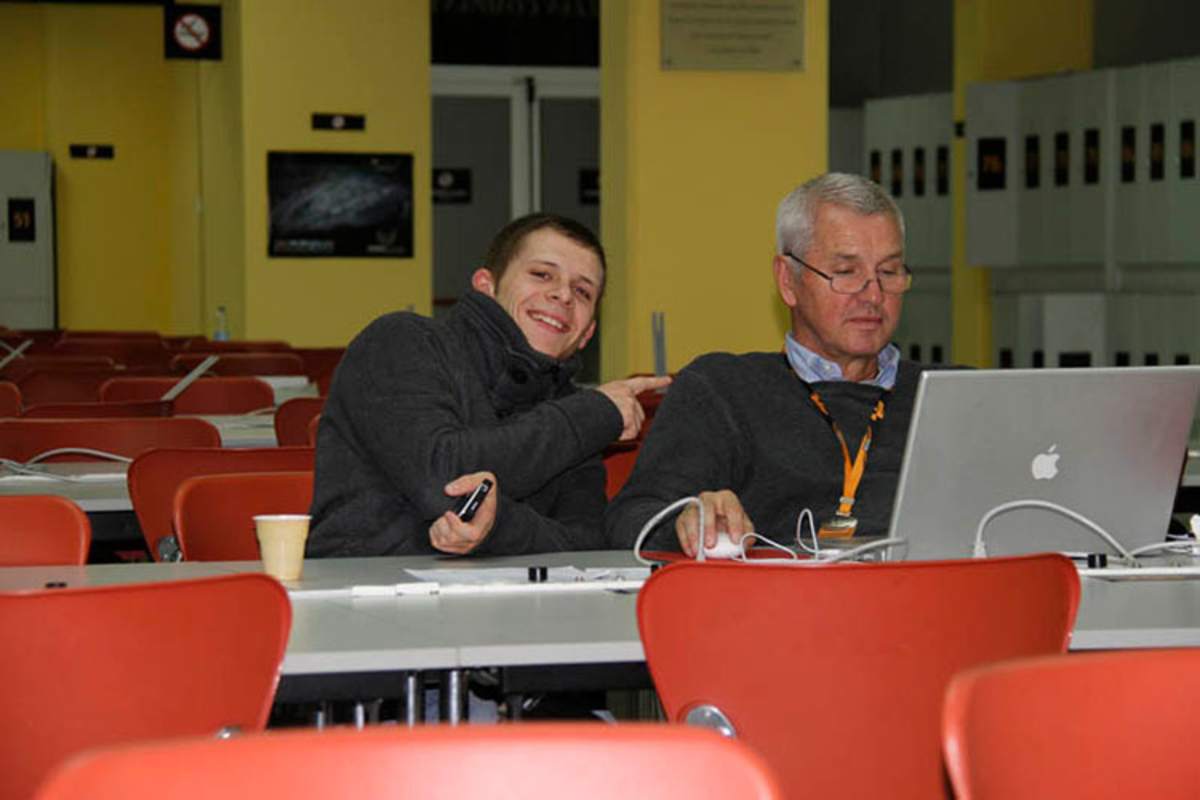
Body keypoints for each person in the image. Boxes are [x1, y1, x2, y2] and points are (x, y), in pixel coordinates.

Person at [309, 213, 669, 557]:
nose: (563, 296)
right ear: (486, 287)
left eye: (582, 291)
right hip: (361, 594)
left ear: (587, 333)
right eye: (542, 274)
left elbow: (586, 543)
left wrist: (499, 526)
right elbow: (444, 484)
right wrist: (590, 415)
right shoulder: (401, 341)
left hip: (503, 607)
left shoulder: (573, 409)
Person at [606, 172, 929, 555]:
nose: (873, 294)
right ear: (788, 280)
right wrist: (686, 520)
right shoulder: (722, 389)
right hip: (779, 605)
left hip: (928, 600)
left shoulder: (950, 396)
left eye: (888, 272)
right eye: (846, 272)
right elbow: (630, 520)